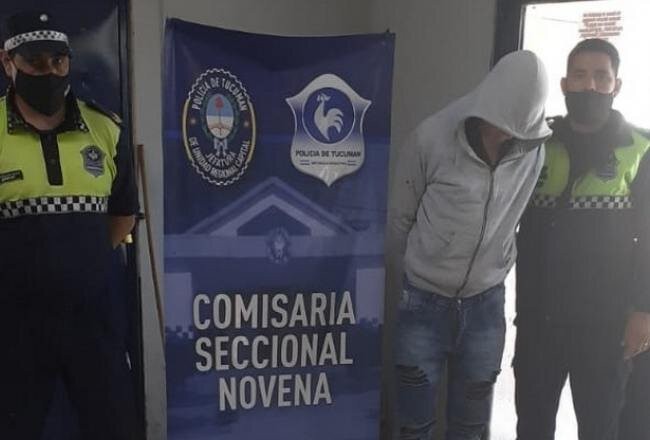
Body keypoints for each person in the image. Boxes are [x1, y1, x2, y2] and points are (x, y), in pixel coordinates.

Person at [387, 49, 551, 439]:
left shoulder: (532, 150)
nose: (504, 135)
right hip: (422, 302)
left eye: (516, 130)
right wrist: (422, 268)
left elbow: (516, 212)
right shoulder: (430, 138)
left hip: (485, 306)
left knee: (471, 427)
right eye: (499, 124)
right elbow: (398, 221)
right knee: (414, 425)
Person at [0, 10, 137, 440]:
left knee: (114, 427)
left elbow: (123, 215)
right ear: (8, 62)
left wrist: (78, 261)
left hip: (93, 323)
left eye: (57, 61)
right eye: (35, 62)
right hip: (15, 327)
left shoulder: (106, 128)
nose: (49, 72)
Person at [514, 38, 650, 440]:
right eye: (580, 75)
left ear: (616, 85)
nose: (590, 85)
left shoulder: (639, 148)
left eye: (601, 77)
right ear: (564, 84)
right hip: (539, 319)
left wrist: (643, 310)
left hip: (605, 325)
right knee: (532, 427)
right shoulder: (537, 142)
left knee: (601, 429)